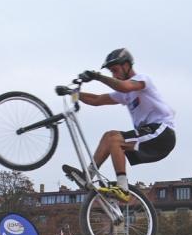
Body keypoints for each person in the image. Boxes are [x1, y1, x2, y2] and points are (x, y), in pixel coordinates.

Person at [63, 48, 176, 202]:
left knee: (115, 138)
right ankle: (87, 176)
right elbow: (97, 100)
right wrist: (72, 93)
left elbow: (124, 86)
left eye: (115, 70)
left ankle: (122, 187)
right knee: (109, 137)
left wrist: (97, 76)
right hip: (149, 136)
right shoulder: (125, 95)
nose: (114, 75)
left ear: (126, 65)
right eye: (111, 72)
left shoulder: (143, 80)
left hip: (162, 133)